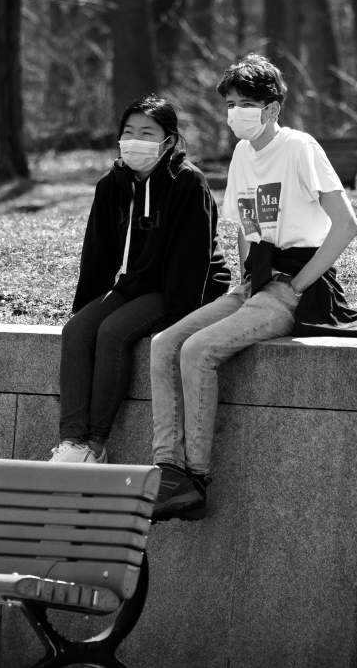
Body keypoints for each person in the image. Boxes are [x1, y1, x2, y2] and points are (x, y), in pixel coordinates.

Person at [149, 53, 357, 521]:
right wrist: (246, 283)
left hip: (298, 282)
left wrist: (298, 283)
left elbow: (347, 226)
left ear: (272, 106)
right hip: (255, 282)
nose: (235, 113)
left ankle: (195, 477)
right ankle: (167, 469)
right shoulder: (243, 154)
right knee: (166, 343)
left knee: (197, 350)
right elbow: (244, 227)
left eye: (245, 102)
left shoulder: (300, 148)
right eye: (230, 102)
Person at [50, 94, 232, 464]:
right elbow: (98, 256)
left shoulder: (188, 183)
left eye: (147, 133)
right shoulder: (112, 185)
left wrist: (181, 315)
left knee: (113, 332)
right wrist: (87, 308)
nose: (135, 140)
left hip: (186, 285)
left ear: (168, 140)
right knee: (78, 331)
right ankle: (71, 441)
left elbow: (191, 259)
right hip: (137, 282)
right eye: (129, 132)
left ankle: (96, 445)